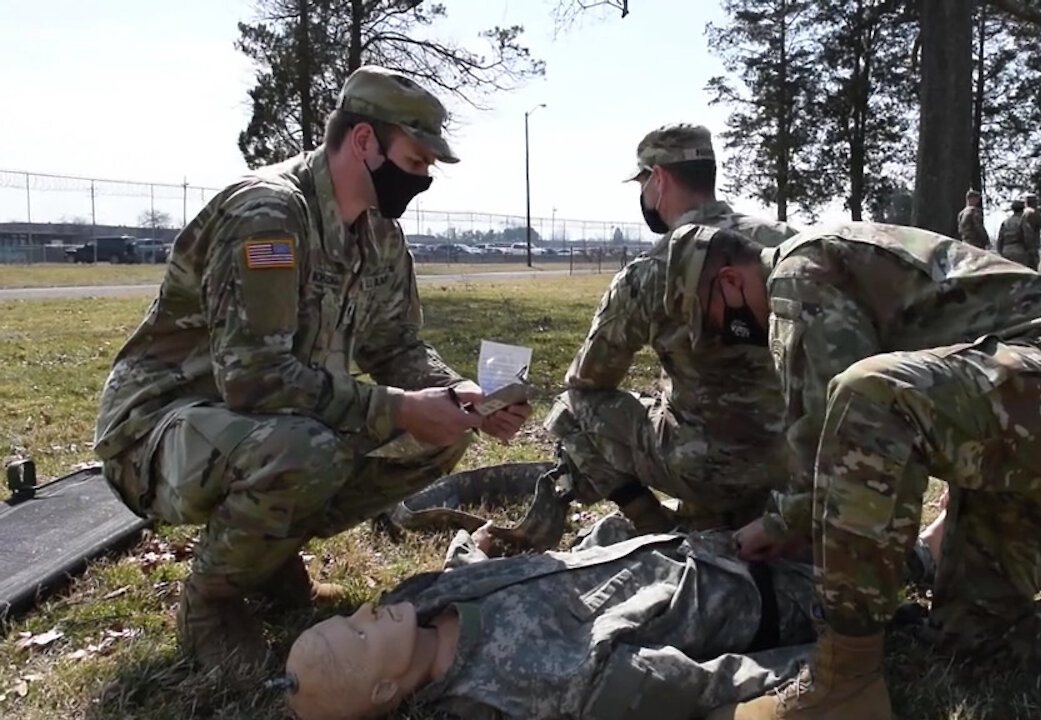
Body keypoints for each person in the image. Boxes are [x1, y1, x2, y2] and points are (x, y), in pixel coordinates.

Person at [661, 222, 1041, 720]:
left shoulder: (798, 269)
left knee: (869, 393)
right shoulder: (834, 260)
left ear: (729, 281)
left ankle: (843, 681)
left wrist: (784, 521)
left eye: (714, 324)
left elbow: (834, 425)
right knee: (972, 637)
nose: (729, 338)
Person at [92, 65, 531, 669]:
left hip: (259, 422)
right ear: (363, 141)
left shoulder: (378, 233)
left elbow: (394, 344)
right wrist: (399, 407)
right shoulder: (267, 216)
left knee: (434, 436)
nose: (424, 177)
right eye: (416, 158)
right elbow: (253, 379)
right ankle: (211, 603)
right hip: (160, 428)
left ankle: (268, 558)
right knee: (306, 449)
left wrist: (458, 395)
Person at [280, 515, 817, 720]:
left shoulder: (415, 606)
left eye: (349, 614)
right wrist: (827, 667)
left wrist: (473, 549)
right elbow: (702, 686)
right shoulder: (529, 681)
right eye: (356, 632)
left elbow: (470, 582)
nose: (365, 610)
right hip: (757, 590)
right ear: (381, 691)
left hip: (701, 536)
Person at [542, 123, 799, 535]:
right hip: (792, 464)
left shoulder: (649, 272)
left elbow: (589, 377)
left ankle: (653, 525)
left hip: (705, 467)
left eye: (642, 184)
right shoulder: (785, 243)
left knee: (572, 406)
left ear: (658, 179)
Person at [995, 197, 1029, 266]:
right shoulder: (1023, 222)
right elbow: (1027, 238)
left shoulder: (1005, 222)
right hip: (1019, 251)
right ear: (1022, 210)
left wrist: (1001, 252)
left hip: (1006, 251)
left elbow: (1000, 240)